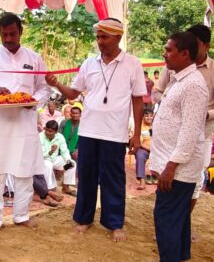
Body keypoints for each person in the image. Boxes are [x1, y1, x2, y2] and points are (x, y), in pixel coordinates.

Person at [46, 18, 146, 241]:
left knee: (113, 179)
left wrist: (137, 134)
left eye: (104, 37)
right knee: (87, 176)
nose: (99, 41)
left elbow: (138, 100)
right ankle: (84, 218)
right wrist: (56, 84)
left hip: (115, 133)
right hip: (88, 131)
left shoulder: (132, 64)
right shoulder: (89, 64)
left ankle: (114, 223)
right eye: (98, 37)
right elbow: (73, 93)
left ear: (118, 38)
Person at [0, 12, 51, 232]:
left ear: (21, 32)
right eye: (4, 34)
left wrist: (33, 102)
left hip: (23, 122)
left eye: (12, 34)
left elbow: (44, 87)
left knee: (24, 169)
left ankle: (21, 215)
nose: (8, 39)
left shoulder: (34, 58)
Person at [153, 24, 214, 237]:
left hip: (201, 136)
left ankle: (178, 227)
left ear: (205, 46)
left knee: (192, 184)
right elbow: (158, 92)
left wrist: (205, 114)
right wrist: (170, 105)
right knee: (169, 185)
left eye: (195, 44)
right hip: (171, 139)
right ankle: (174, 229)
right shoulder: (172, 66)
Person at [149, 31, 208, 262]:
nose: (164, 54)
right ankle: (180, 257)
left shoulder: (194, 85)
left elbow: (190, 131)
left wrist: (171, 166)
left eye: (169, 50)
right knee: (179, 215)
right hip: (172, 163)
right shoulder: (179, 79)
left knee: (166, 216)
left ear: (184, 54)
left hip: (178, 168)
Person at [40, 120, 77, 196]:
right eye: (46, 130)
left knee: (72, 164)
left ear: (56, 132)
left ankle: (66, 187)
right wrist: (50, 152)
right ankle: (49, 189)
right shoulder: (40, 136)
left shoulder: (60, 137)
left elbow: (64, 151)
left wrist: (68, 160)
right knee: (48, 165)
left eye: (50, 131)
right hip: (43, 160)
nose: (47, 132)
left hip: (54, 159)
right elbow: (40, 154)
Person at [135, 108, 154, 190]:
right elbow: (140, 143)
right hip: (145, 149)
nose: (149, 118)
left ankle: (158, 177)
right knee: (140, 155)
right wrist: (150, 149)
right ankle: (142, 180)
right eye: (146, 116)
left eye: (151, 116)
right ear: (143, 117)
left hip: (157, 149)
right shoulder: (140, 127)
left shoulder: (156, 125)